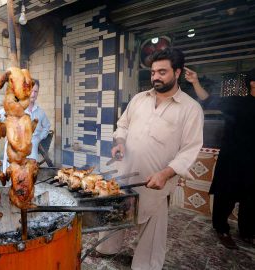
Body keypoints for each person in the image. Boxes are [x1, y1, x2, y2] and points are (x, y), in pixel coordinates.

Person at [94, 48, 204, 270]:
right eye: (153, 72)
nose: (156, 77)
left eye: (162, 72)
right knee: (115, 212)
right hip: (124, 172)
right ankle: (107, 248)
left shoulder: (190, 109)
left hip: (156, 180)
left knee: (152, 226)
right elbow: (122, 125)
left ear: (178, 72)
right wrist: (120, 142)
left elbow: (190, 149)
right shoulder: (139, 99)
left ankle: (146, 265)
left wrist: (166, 173)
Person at [185, 67, 255, 249]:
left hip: (253, 162)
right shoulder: (238, 102)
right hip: (233, 158)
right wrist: (195, 82)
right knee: (226, 196)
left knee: (250, 199)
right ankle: (221, 228)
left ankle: (247, 231)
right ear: (253, 83)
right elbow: (208, 100)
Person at [0, 79, 51, 172]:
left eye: (36, 91)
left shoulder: (40, 112)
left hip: (31, 149)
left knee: (29, 176)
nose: (33, 94)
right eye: (31, 91)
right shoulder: (16, 106)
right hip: (14, 149)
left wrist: (39, 138)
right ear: (27, 91)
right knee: (14, 176)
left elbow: (47, 126)